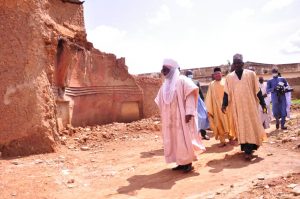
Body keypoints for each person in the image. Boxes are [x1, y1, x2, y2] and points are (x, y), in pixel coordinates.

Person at [155, 59, 205, 172]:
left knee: (183, 139)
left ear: (172, 70)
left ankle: (187, 162)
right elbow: (160, 100)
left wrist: (189, 112)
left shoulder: (183, 80)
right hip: (170, 119)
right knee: (174, 139)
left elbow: (191, 95)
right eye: (163, 69)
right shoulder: (165, 85)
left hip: (182, 116)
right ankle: (180, 162)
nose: (163, 72)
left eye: (166, 69)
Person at [222, 54, 267, 160]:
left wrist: (263, 103)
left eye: (239, 62)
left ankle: (250, 148)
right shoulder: (229, 77)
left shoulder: (251, 74)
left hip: (250, 106)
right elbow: (226, 93)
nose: (237, 64)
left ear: (242, 63)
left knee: (251, 126)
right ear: (233, 64)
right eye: (235, 63)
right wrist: (224, 104)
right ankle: (247, 150)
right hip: (237, 107)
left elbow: (258, 90)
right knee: (242, 127)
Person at [205, 67, 235, 147]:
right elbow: (209, 97)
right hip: (216, 108)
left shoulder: (226, 81)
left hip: (227, 107)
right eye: (216, 74)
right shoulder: (211, 84)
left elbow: (231, 93)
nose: (217, 75)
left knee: (229, 122)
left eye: (219, 73)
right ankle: (222, 141)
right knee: (219, 124)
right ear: (214, 75)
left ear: (221, 74)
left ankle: (231, 138)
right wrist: (209, 109)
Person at [185, 70, 210, 140]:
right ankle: (193, 137)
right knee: (192, 119)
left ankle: (203, 134)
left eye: (190, 73)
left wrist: (203, 101)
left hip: (198, 102)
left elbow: (200, 92)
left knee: (202, 117)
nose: (190, 75)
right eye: (188, 73)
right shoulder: (184, 83)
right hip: (189, 103)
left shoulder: (196, 82)